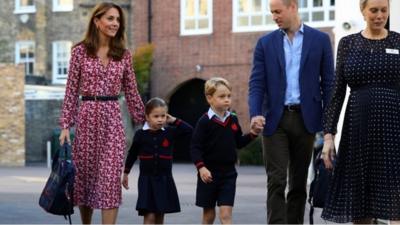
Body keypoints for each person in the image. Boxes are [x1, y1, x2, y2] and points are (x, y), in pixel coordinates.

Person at [248, 0, 334, 223]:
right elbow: (257, 83)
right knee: (276, 181)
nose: (274, 16)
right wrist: (255, 113)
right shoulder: (265, 43)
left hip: (306, 120)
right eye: (271, 12)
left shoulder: (321, 40)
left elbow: (329, 86)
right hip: (274, 120)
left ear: (293, 7)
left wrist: (328, 129)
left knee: (298, 183)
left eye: (278, 11)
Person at [58, 2, 145, 224]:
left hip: (112, 122)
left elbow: (133, 93)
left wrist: (149, 123)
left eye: (118, 20)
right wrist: (65, 125)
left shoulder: (123, 55)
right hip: (86, 119)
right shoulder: (79, 52)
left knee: (109, 183)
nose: (115, 23)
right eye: (110, 18)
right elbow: (70, 91)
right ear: (97, 21)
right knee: (84, 181)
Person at [321, 0, 400, 223]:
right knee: (360, 202)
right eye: (373, 10)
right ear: (363, 12)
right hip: (358, 129)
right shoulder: (348, 43)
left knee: (395, 195)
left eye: (384, 10)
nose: (379, 15)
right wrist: (329, 137)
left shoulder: (398, 41)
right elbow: (336, 92)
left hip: (394, 129)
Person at [191, 77, 258, 224]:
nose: (227, 100)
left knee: (226, 215)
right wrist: (201, 168)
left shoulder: (232, 119)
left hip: (228, 175)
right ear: (210, 98)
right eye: (222, 97)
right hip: (208, 175)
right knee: (208, 216)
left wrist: (252, 134)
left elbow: (238, 142)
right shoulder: (204, 122)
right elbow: (195, 147)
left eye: (229, 96)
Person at [122, 97, 193, 224]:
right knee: (149, 216)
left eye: (163, 116)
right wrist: (126, 173)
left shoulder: (170, 133)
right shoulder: (140, 135)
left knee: (160, 217)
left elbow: (189, 131)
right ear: (147, 117)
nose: (160, 119)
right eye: (156, 116)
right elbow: (132, 154)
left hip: (164, 180)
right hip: (146, 181)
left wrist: (174, 120)